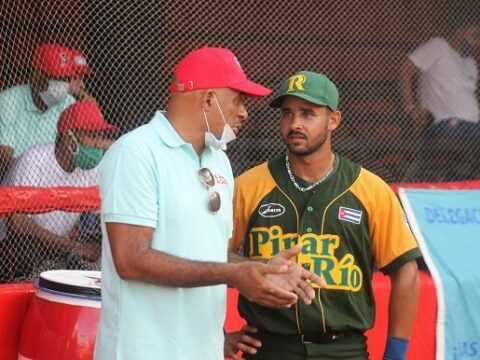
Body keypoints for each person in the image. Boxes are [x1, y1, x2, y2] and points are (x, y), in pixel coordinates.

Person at [94, 47, 324, 360]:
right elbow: (131, 259)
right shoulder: (136, 152)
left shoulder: (219, 161)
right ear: (208, 100)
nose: (244, 113)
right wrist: (234, 276)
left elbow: (209, 253)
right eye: (238, 100)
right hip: (142, 350)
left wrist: (258, 270)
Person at [228, 71, 422, 360]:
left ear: (333, 120)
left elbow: (406, 272)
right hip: (269, 348)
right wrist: (217, 334)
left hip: (345, 349)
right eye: (287, 114)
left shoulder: (371, 190)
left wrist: (395, 355)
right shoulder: (248, 186)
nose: (295, 124)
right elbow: (211, 259)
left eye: (308, 114)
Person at [0, 100, 117, 282]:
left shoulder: (93, 170)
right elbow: (17, 224)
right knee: (29, 247)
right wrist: (74, 246)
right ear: (69, 137)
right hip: (12, 250)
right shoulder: (34, 161)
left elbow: (108, 213)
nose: (97, 145)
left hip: (57, 247)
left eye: (99, 136)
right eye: (92, 136)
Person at [0, 43, 96, 181]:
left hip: (57, 180)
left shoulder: (68, 103)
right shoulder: (8, 100)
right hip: (18, 182)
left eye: (67, 79)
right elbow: (5, 157)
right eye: (57, 78)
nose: (62, 85)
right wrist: (35, 173)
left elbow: (79, 149)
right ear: (37, 77)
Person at [400, 25, 480, 181]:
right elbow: (406, 69)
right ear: (459, 32)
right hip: (447, 123)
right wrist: (411, 107)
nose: (477, 42)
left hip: (473, 127)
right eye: (475, 36)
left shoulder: (470, 63)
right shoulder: (439, 46)